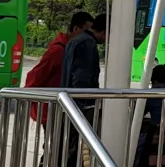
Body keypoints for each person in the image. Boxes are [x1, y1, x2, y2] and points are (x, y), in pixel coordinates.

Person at [24, 12, 93, 166]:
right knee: (57, 148)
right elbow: (35, 76)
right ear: (75, 29)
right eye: (86, 31)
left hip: (62, 109)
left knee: (61, 147)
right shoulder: (58, 51)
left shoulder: (69, 49)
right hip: (52, 110)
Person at [58, 13, 107, 167]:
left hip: (69, 104)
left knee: (68, 150)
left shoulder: (74, 41)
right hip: (81, 106)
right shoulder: (88, 44)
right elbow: (82, 78)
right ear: (106, 31)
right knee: (76, 152)